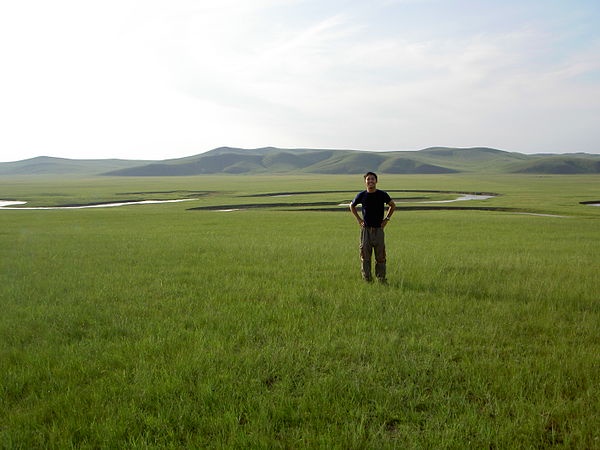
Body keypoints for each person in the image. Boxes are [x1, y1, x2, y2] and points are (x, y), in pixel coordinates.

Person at [350, 172, 396, 282]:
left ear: (376, 181)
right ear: (365, 182)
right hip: (366, 230)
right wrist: (359, 220)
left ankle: (381, 279)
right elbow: (351, 206)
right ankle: (367, 279)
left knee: (381, 256)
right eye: (368, 179)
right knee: (365, 256)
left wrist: (386, 219)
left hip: (379, 230)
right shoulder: (362, 195)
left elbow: (392, 205)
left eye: (372, 179)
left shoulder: (382, 194)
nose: (370, 181)